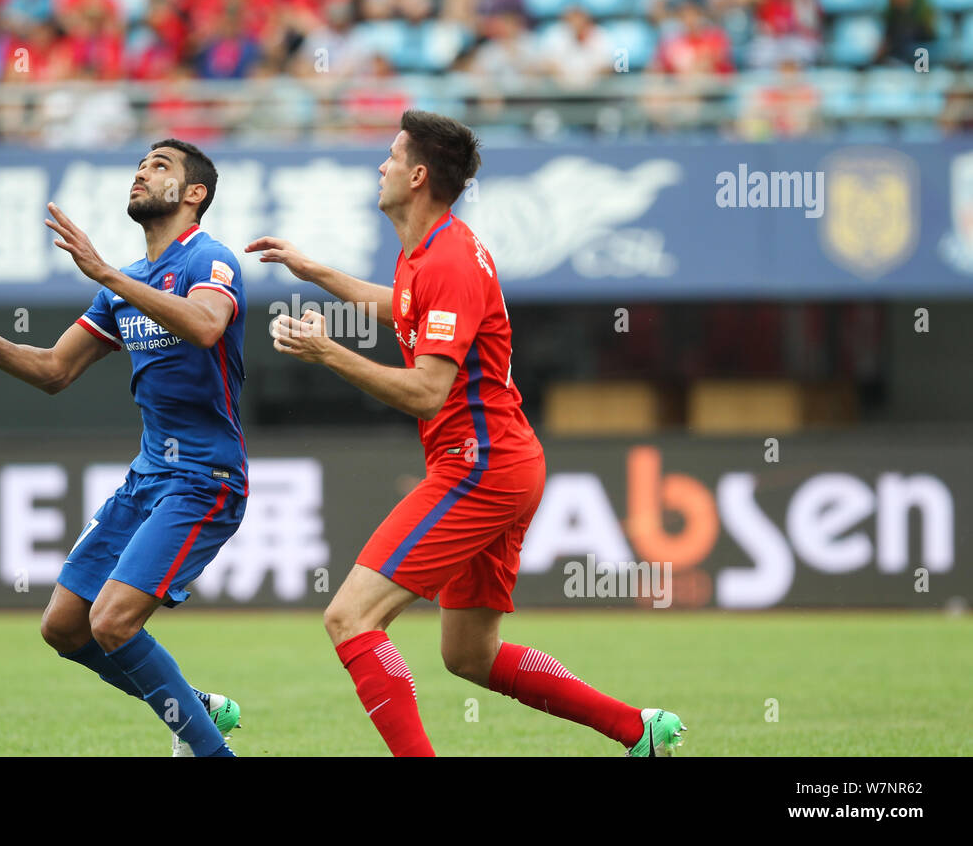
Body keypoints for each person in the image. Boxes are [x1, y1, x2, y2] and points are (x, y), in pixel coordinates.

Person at [247, 109, 686, 757]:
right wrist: (316, 274)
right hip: (503, 463)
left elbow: (427, 391)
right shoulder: (431, 251)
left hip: (478, 469)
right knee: (469, 654)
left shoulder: (447, 258)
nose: (381, 165)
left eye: (392, 156)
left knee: (349, 616)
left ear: (418, 175)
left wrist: (328, 353)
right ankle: (637, 730)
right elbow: (399, 303)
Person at [0, 140, 247, 757]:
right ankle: (194, 707)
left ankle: (208, 749)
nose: (142, 172)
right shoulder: (122, 287)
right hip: (147, 478)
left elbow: (206, 325)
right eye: (141, 163)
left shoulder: (210, 258)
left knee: (114, 621)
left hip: (206, 477)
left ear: (194, 193)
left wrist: (106, 273)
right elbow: (53, 370)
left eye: (160, 166)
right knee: (64, 627)